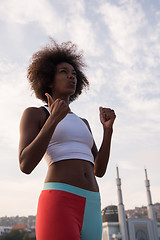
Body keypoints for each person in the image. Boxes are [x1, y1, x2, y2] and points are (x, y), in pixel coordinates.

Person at [18, 40, 116, 240]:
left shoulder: (83, 122)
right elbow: (25, 164)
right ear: (49, 80)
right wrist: (53, 119)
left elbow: (99, 170)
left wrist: (107, 131)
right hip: (60, 199)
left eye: (74, 73)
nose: (72, 75)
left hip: (92, 201)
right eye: (63, 71)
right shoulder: (36, 114)